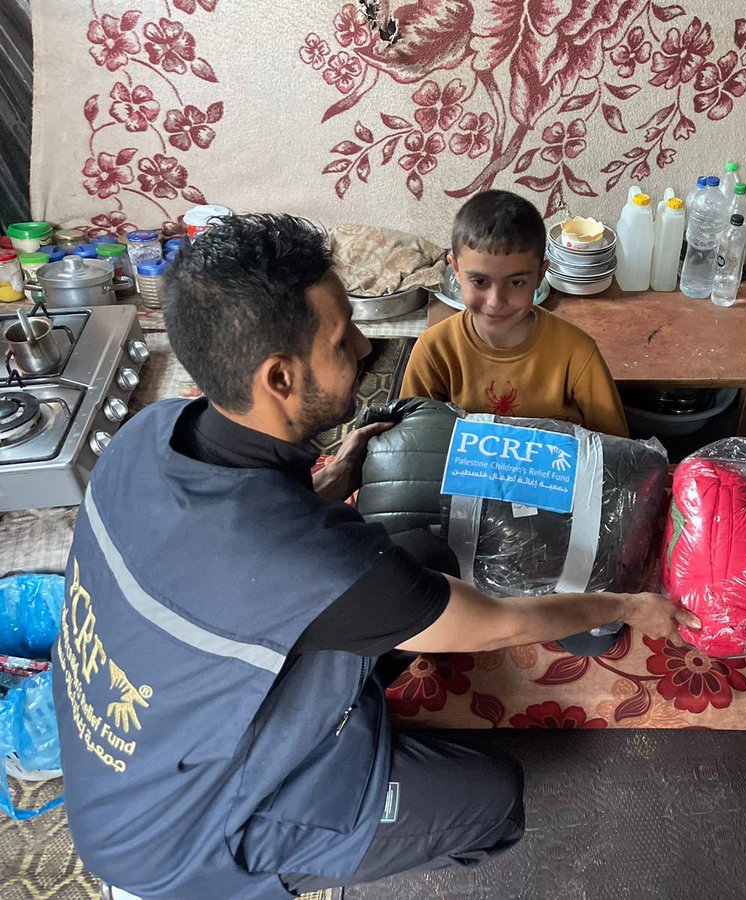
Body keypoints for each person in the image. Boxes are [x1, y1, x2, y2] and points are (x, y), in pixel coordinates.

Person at [51, 213, 697, 899]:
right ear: (278, 377)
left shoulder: (147, 433)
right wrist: (627, 604)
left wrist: (329, 479)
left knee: (411, 556)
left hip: (131, 764)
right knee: (493, 801)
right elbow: (499, 623)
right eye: (341, 337)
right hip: (178, 837)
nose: (364, 346)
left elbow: (233, 540)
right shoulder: (317, 565)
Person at [400, 189, 629, 438]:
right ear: (455, 269)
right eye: (479, 281)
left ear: (540, 275)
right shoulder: (434, 351)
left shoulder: (577, 354)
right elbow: (412, 444)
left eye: (516, 282)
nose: (496, 301)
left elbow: (616, 449)